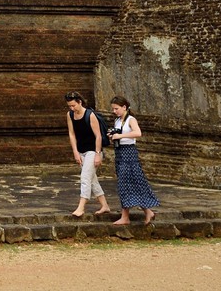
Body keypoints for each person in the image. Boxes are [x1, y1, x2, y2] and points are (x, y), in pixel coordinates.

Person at [108, 95, 161, 225]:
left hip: (129, 153)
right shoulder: (117, 121)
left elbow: (138, 133)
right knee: (125, 183)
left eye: (116, 109)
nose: (114, 111)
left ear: (124, 107)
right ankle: (144, 212)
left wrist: (121, 135)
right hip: (120, 152)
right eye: (113, 109)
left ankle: (127, 216)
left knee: (131, 182)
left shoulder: (131, 119)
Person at [64, 91, 108, 217]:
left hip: (93, 150)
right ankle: (104, 205)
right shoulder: (70, 115)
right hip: (81, 150)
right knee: (92, 179)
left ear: (80, 102)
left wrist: (98, 154)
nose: (72, 108)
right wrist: (75, 152)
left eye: (74, 105)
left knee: (85, 178)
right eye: (70, 106)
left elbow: (98, 136)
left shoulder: (90, 115)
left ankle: (81, 207)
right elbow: (71, 134)